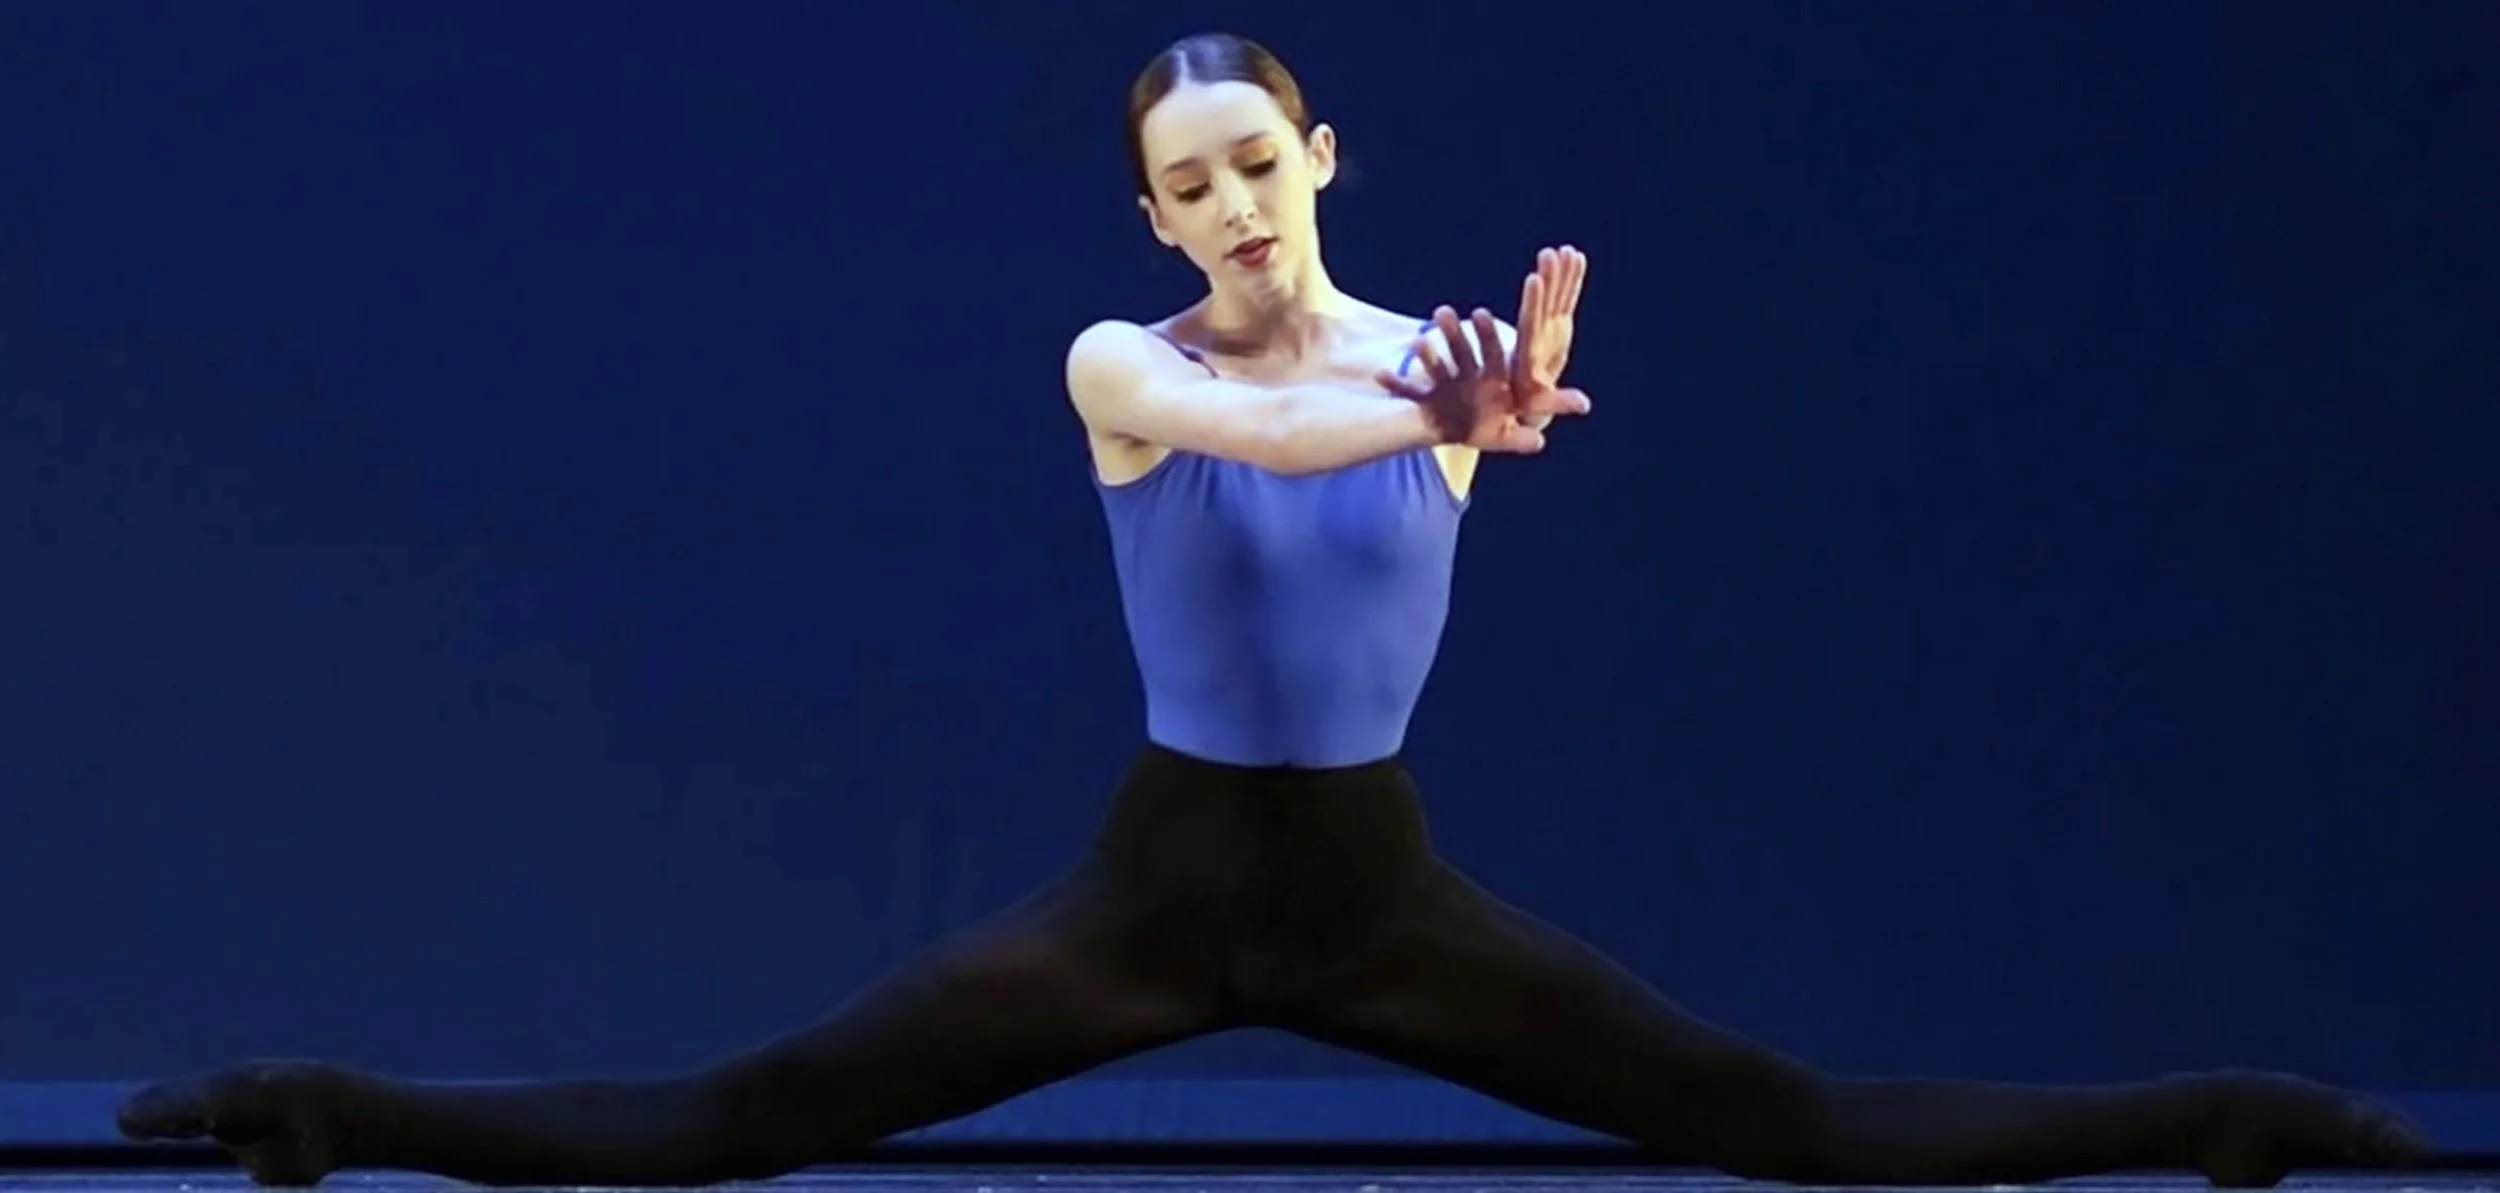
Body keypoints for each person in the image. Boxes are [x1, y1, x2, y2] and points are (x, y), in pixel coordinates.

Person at [117, 32, 2430, 1191]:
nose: (1226, 202)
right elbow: (1289, 442)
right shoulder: (1125, 365)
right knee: (748, 1112)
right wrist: (1443, 413)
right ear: (1149, 217)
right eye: (1181, 182)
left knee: (1780, 1116)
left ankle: (2231, 1110)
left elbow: (1396, 414)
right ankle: (311, 1102)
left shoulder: (1440, 350)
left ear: (1319, 158)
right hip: (1157, 888)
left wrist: (1479, 406)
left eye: (1255, 160)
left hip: (1372, 891)